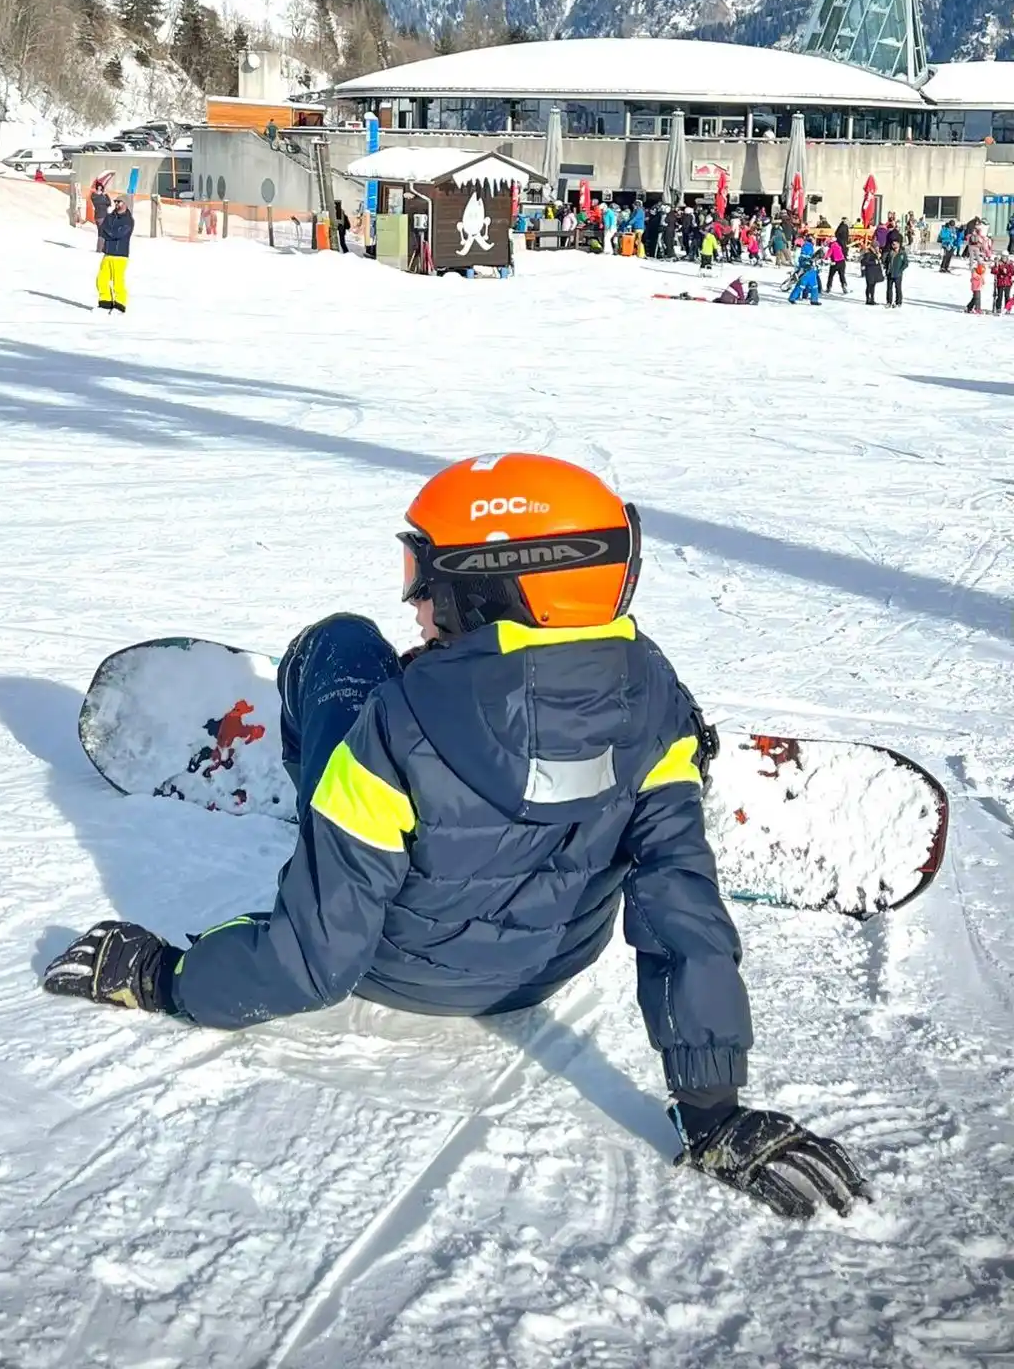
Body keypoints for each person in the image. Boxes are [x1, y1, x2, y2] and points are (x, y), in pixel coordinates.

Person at [44, 456, 870, 1221]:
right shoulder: (657, 699)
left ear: (491, 588)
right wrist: (714, 1111)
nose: (412, 601)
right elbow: (681, 918)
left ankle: (324, 801)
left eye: (424, 576)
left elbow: (311, 966)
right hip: (546, 969)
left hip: (397, 969)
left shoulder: (394, 728)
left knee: (340, 643)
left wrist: (164, 977)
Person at [96, 193, 134, 313]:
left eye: (119, 202)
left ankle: (120, 305)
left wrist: (109, 233)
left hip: (120, 255)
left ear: (125, 204)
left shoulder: (128, 220)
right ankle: (105, 303)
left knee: (118, 281)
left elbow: (118, 234)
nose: (117, 204)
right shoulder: (110, 217)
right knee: (101, 279)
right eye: (116, 202)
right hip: (108, 253)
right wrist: (109, 233)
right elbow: (102, 230)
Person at [788, 240, 822, 306]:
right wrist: (808, 263)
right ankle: (792, 298)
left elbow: (812, 259)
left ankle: (814, 300)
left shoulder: (809, 249)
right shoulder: (806, 249)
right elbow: (802, 261)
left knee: (814, 286)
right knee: (801, 285)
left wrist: (816, 263)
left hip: (812, 271)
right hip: (806, 271)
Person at [884, 235, 908, 309]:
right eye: (892, 244)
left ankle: (898, 302)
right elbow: (886, 261)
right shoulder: (890, 252)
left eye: (894, 244)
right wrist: (886, 268)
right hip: (890, 273)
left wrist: (900, 270)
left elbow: (906, 264)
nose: (893, 245)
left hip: (898, 274)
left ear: (898, 244)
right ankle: (889, 302)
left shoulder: (902, 253)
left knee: (898, 288)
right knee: (889, 289)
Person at [860, 242, 883, 307]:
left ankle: (872, 299)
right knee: (869, 286)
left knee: (872, 286)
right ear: (873, 247)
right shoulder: (868, 253)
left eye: (878, 247)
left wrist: (879, 259)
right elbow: (864, 262)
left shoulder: (875, 253)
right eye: (876, 247)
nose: (878, 248)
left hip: (874, 272)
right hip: (870, 272)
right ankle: (868, 299)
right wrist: (875, 262)